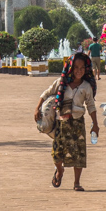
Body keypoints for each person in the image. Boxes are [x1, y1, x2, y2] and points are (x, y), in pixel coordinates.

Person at [35, 53, 99, 192]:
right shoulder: (61, 83)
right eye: (76, 67)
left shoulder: (86, 87)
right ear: (70, 67)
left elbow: (91, 105)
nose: (79, 70)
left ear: (86, 69)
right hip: (61, 122)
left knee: (79, 154)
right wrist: (37, 108)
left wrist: (95, 124)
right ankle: (60, 170)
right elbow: (46, 93)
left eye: (82, 68)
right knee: (56, 153)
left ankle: (76, 182)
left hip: (77, 123)